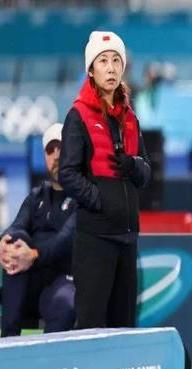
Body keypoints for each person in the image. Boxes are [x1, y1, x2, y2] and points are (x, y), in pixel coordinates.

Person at [59, 31, 151, 329]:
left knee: (124, 327)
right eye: (103, 61)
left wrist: (133, 166)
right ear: (91, 70)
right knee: (92, 326)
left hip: (127, 238)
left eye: (116, 61)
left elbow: (146, 172)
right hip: (95, 239)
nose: (110, 68)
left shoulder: (130, 117)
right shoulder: (78, 115)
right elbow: (67, 173)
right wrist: (101, 201)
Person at [0, 123, 76, 337]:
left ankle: (48, 358)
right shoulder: (36, 197)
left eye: (62, 149)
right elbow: (16, 226)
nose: (56, 156)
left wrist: (33, 255)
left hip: (64, 279)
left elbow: (64, 241)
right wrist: (0, 245)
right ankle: (7, 345)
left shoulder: (83, 196)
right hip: (31, 284)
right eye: (50, 150)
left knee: (64, 304)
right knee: (15, 240)